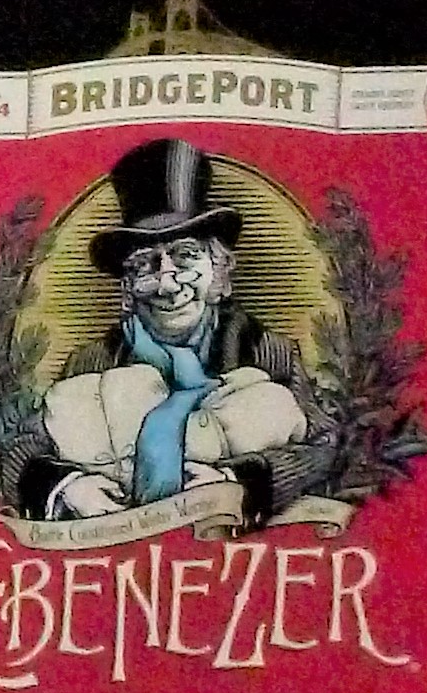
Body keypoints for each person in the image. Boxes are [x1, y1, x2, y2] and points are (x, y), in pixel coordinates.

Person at [16, 137, 310, 528]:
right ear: (126, 289)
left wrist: (236, 480)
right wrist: (68, 486)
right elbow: (21, 448)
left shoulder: (266, 351)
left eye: (185, 256)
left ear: (219, 273)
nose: (167, 285)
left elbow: (328, 446)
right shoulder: (93, 361)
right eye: (145, 265)